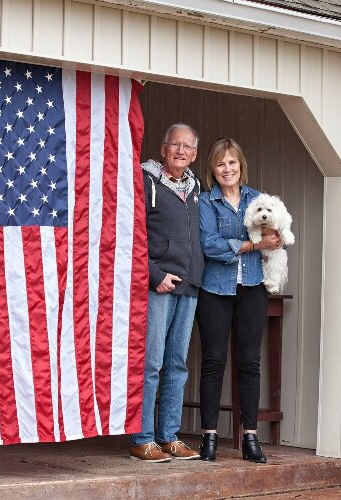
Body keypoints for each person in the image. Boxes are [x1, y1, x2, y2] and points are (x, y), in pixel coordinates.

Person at [196, 138, 283, 464]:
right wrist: (251, 245)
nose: (227, 169)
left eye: (232, 163)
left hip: (252, 287)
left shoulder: (258, 199)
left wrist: (266, 244)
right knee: (213, 362)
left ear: (240, 165)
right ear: (213, 170)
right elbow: (210, 245)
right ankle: (209, 437)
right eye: (221, 164)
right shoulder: (206, 202)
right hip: (214, 289)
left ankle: (250, 437)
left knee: (249, 363)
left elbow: (276, 238)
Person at [129, 123, 204, 462]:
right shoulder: (145, 182)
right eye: (175, 144)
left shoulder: (196, 188)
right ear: (163, 149)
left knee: (177, 364)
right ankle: (142, 438)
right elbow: (130, 233)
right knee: (152, 363)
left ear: (195, 154)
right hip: (158, 285)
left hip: (189, 286)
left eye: (188, 147)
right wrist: (154, 274)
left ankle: (169, 436)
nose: (181, 151)